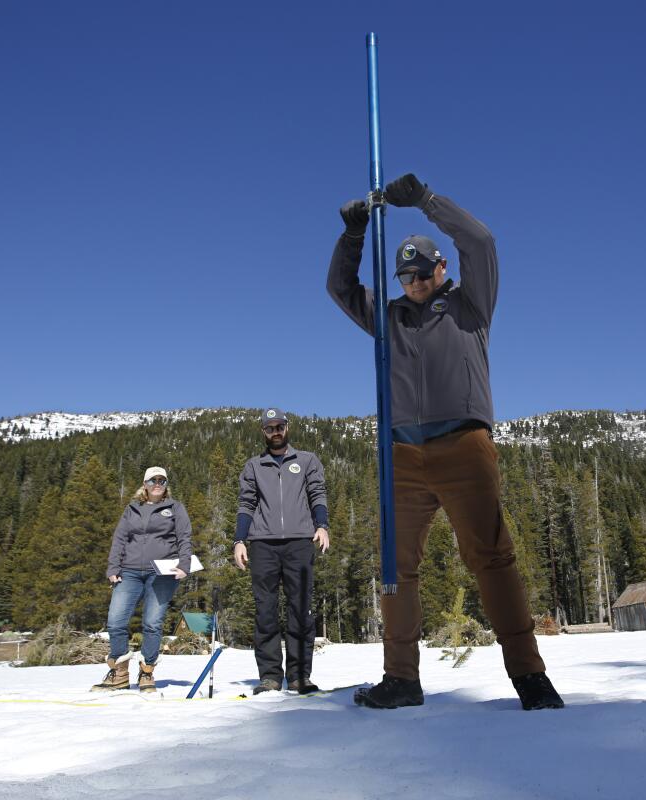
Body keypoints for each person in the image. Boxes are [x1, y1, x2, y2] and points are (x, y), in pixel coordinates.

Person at [327, 173, 564, 711]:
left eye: (421, 271)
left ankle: (530, 678)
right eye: (403, 274)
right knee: (396, 568)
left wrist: (428, 202)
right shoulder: (388, 320)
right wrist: (354, 235)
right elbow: (340, 289)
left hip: (463, 447)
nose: (412, 281)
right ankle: (402, 680)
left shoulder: (470, 307)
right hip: (402, 456)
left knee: (491, 558)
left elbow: (480, 242)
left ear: (441, 269)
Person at [232, 408, 330, 694]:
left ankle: (300, 676)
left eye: (279, 426)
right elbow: (246, 504)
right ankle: (270, 676)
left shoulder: (308, 460)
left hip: (300, 542)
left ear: (287, 428)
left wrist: (321, 525)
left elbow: (317, 494)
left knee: (301, 609)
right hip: (262, 544)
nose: (275, 431)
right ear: (263, 432)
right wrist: (239, 540)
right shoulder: (254, 466)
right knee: (265, 610)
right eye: (269, 428)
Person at [93, 466, 192, 693]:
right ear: (144, 484)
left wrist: (184, 564)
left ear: (166, 484)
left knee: (152, 623)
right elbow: (119, 538)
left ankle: (147, 672)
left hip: (162, 572)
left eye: (162, 480)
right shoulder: (132, 508)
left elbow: (184, 537)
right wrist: (113, 566)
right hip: (129, 571)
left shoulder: (175, 508)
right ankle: (119, 673)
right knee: (116, 621)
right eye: (153, 480)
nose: (157, 484)